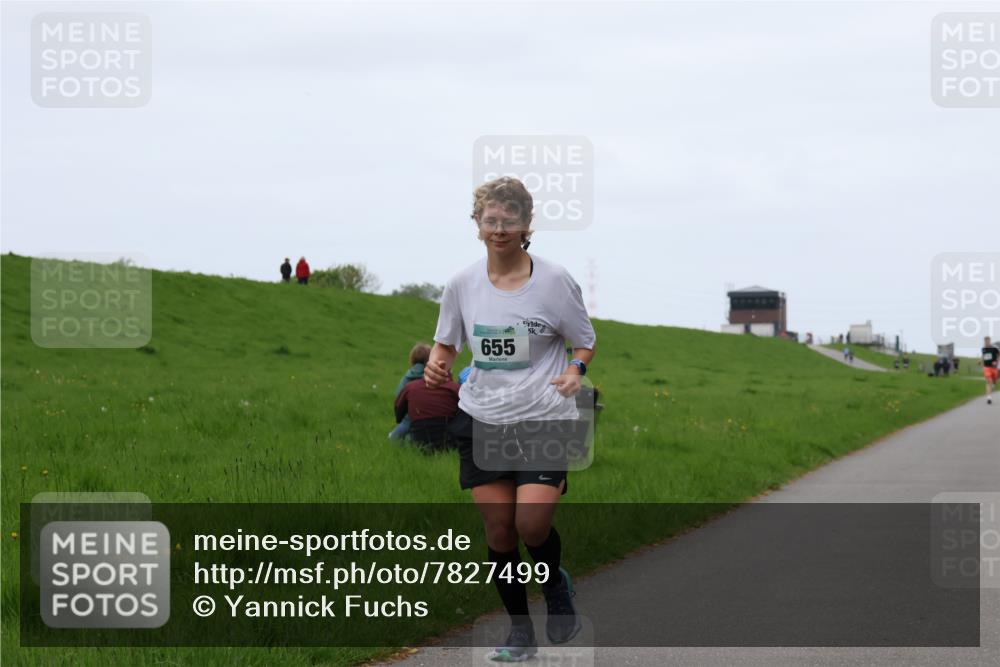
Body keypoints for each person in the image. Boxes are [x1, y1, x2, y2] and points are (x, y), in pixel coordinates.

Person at [426, 176, 596, 661]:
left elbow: (584, 340)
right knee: (500, 531)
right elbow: (446, 343)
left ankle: (555, 585)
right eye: (490, 220)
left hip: (543, 417)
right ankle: (520, 631)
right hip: (483, 418)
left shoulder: (555, 281)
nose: (499, 229)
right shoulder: (462, 284)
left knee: (532, 525)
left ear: (526, 225)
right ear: (477, 224)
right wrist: (438, 363)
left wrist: (575, 371)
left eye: (509, 220)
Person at [394, 375, 460, 452]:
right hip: (449, 443)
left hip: (418, 441)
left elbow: (398, 413)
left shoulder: (411, 387)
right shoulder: (455, 388)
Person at [389, 343, 432, 441]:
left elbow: (398, 396)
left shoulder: (406, 377)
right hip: (429, 419)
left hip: (407, 418)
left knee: (397, 436)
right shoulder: (431, 378)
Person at [981, 336, 999, 405]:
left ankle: (993, 384)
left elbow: (998, 355)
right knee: (989, 382)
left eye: (987, 341)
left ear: (989, 341)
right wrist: (981, 363)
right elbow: (983, 356)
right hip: (987, 368)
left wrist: (996, 362)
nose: (986, 342)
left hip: (994, 368)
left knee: (994, 381)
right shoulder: (983, 349)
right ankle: (989, 398)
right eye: (985, 341)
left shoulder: (994, 348)